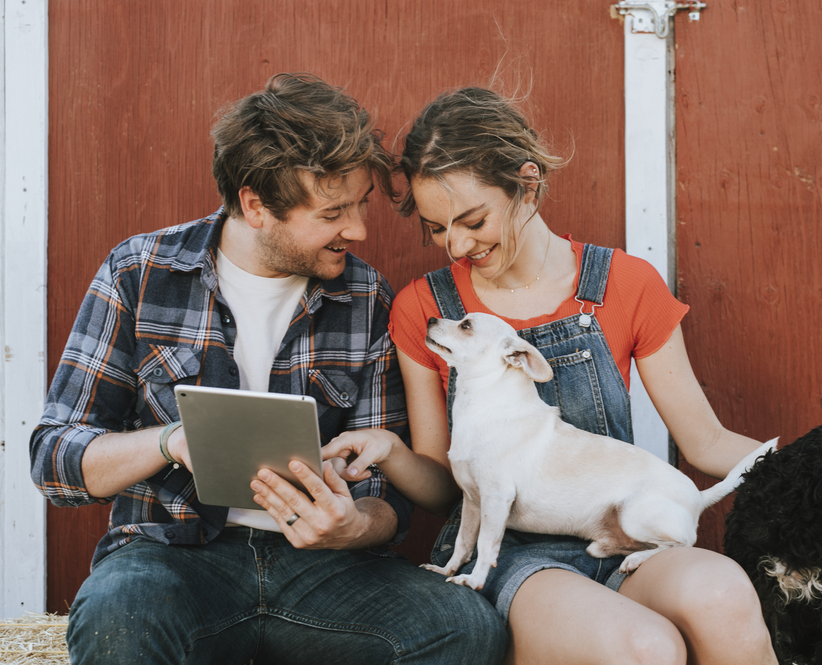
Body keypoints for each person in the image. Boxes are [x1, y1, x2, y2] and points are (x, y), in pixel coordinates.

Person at [29, 74, 507, 665]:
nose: (357, 230)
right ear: (256, 205)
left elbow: (392, 500)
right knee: (115, 618)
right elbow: (55, 461)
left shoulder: (366, 296)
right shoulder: (140, 272)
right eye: (334, 213)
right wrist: (173, 442)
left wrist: (354, 526)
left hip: (327, 571)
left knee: (466, 628)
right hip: (172, 555)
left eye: (360, 205)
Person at [317, 87, 780, 664]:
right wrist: (390, 448)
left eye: (473, 220)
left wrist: (817, 478)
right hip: (509, 550)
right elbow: (443, 485)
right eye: (437, 229)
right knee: (644, 648)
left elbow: (706, 442)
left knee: (724, 595)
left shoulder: (626, 284)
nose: (457, 246)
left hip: (621, 528)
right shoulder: (422, 309)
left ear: (527, 183)